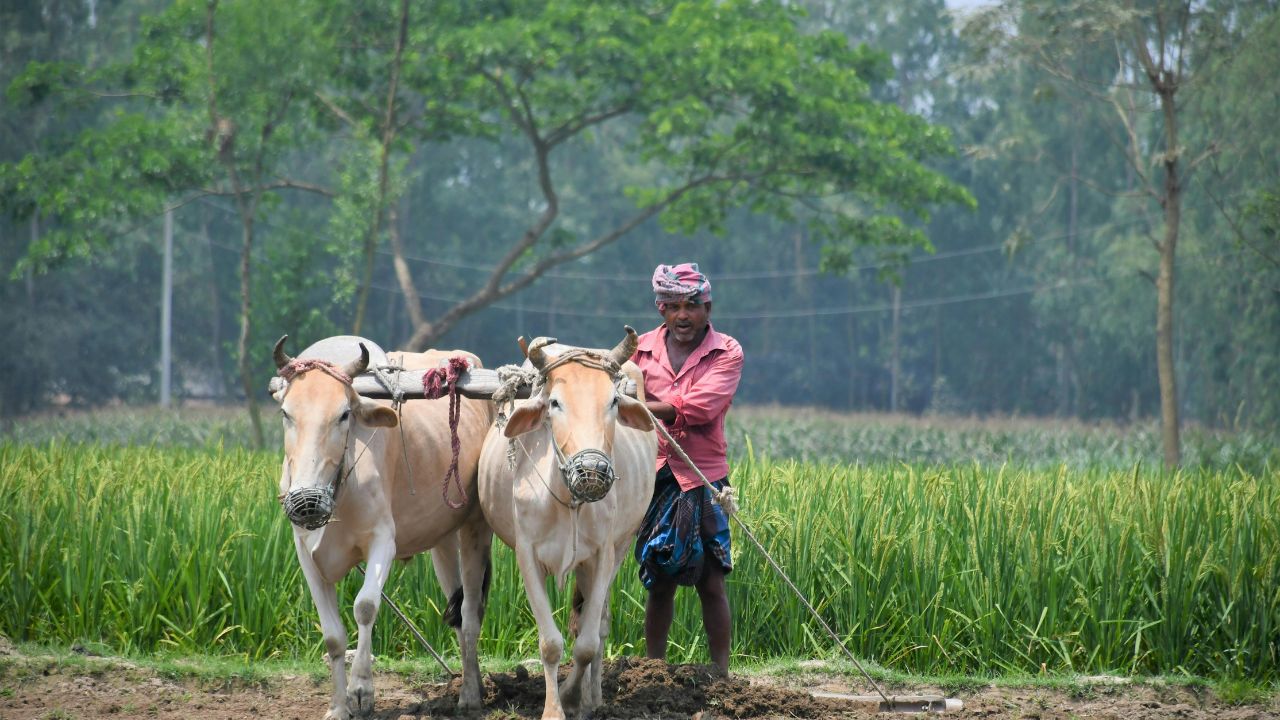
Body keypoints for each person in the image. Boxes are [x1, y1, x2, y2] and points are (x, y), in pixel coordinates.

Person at [632, 262, 744, 674]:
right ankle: (653, 668)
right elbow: (612, 386)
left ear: (707, 308)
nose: (683, 315)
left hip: (703, 475)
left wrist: (633, 406)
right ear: (661, 309)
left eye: (692, 305)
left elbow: (700, 407)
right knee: (659, 578)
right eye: (673, 306)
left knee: (711, 580)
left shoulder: (726, 351)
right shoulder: (638, 350)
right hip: (654, 473)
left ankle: (721, 672)